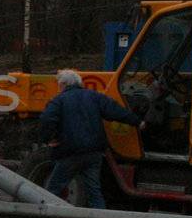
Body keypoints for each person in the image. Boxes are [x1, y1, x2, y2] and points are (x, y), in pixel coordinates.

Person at [37, 69, 144, 210]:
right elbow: (116, 111)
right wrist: (137, 122)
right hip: (94, 152)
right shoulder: (95, 96)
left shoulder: (59, 101)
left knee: (54, 188)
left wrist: (48, 139)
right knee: (94, 191)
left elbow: (46, 119)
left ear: (63, 84)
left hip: (70, 152)